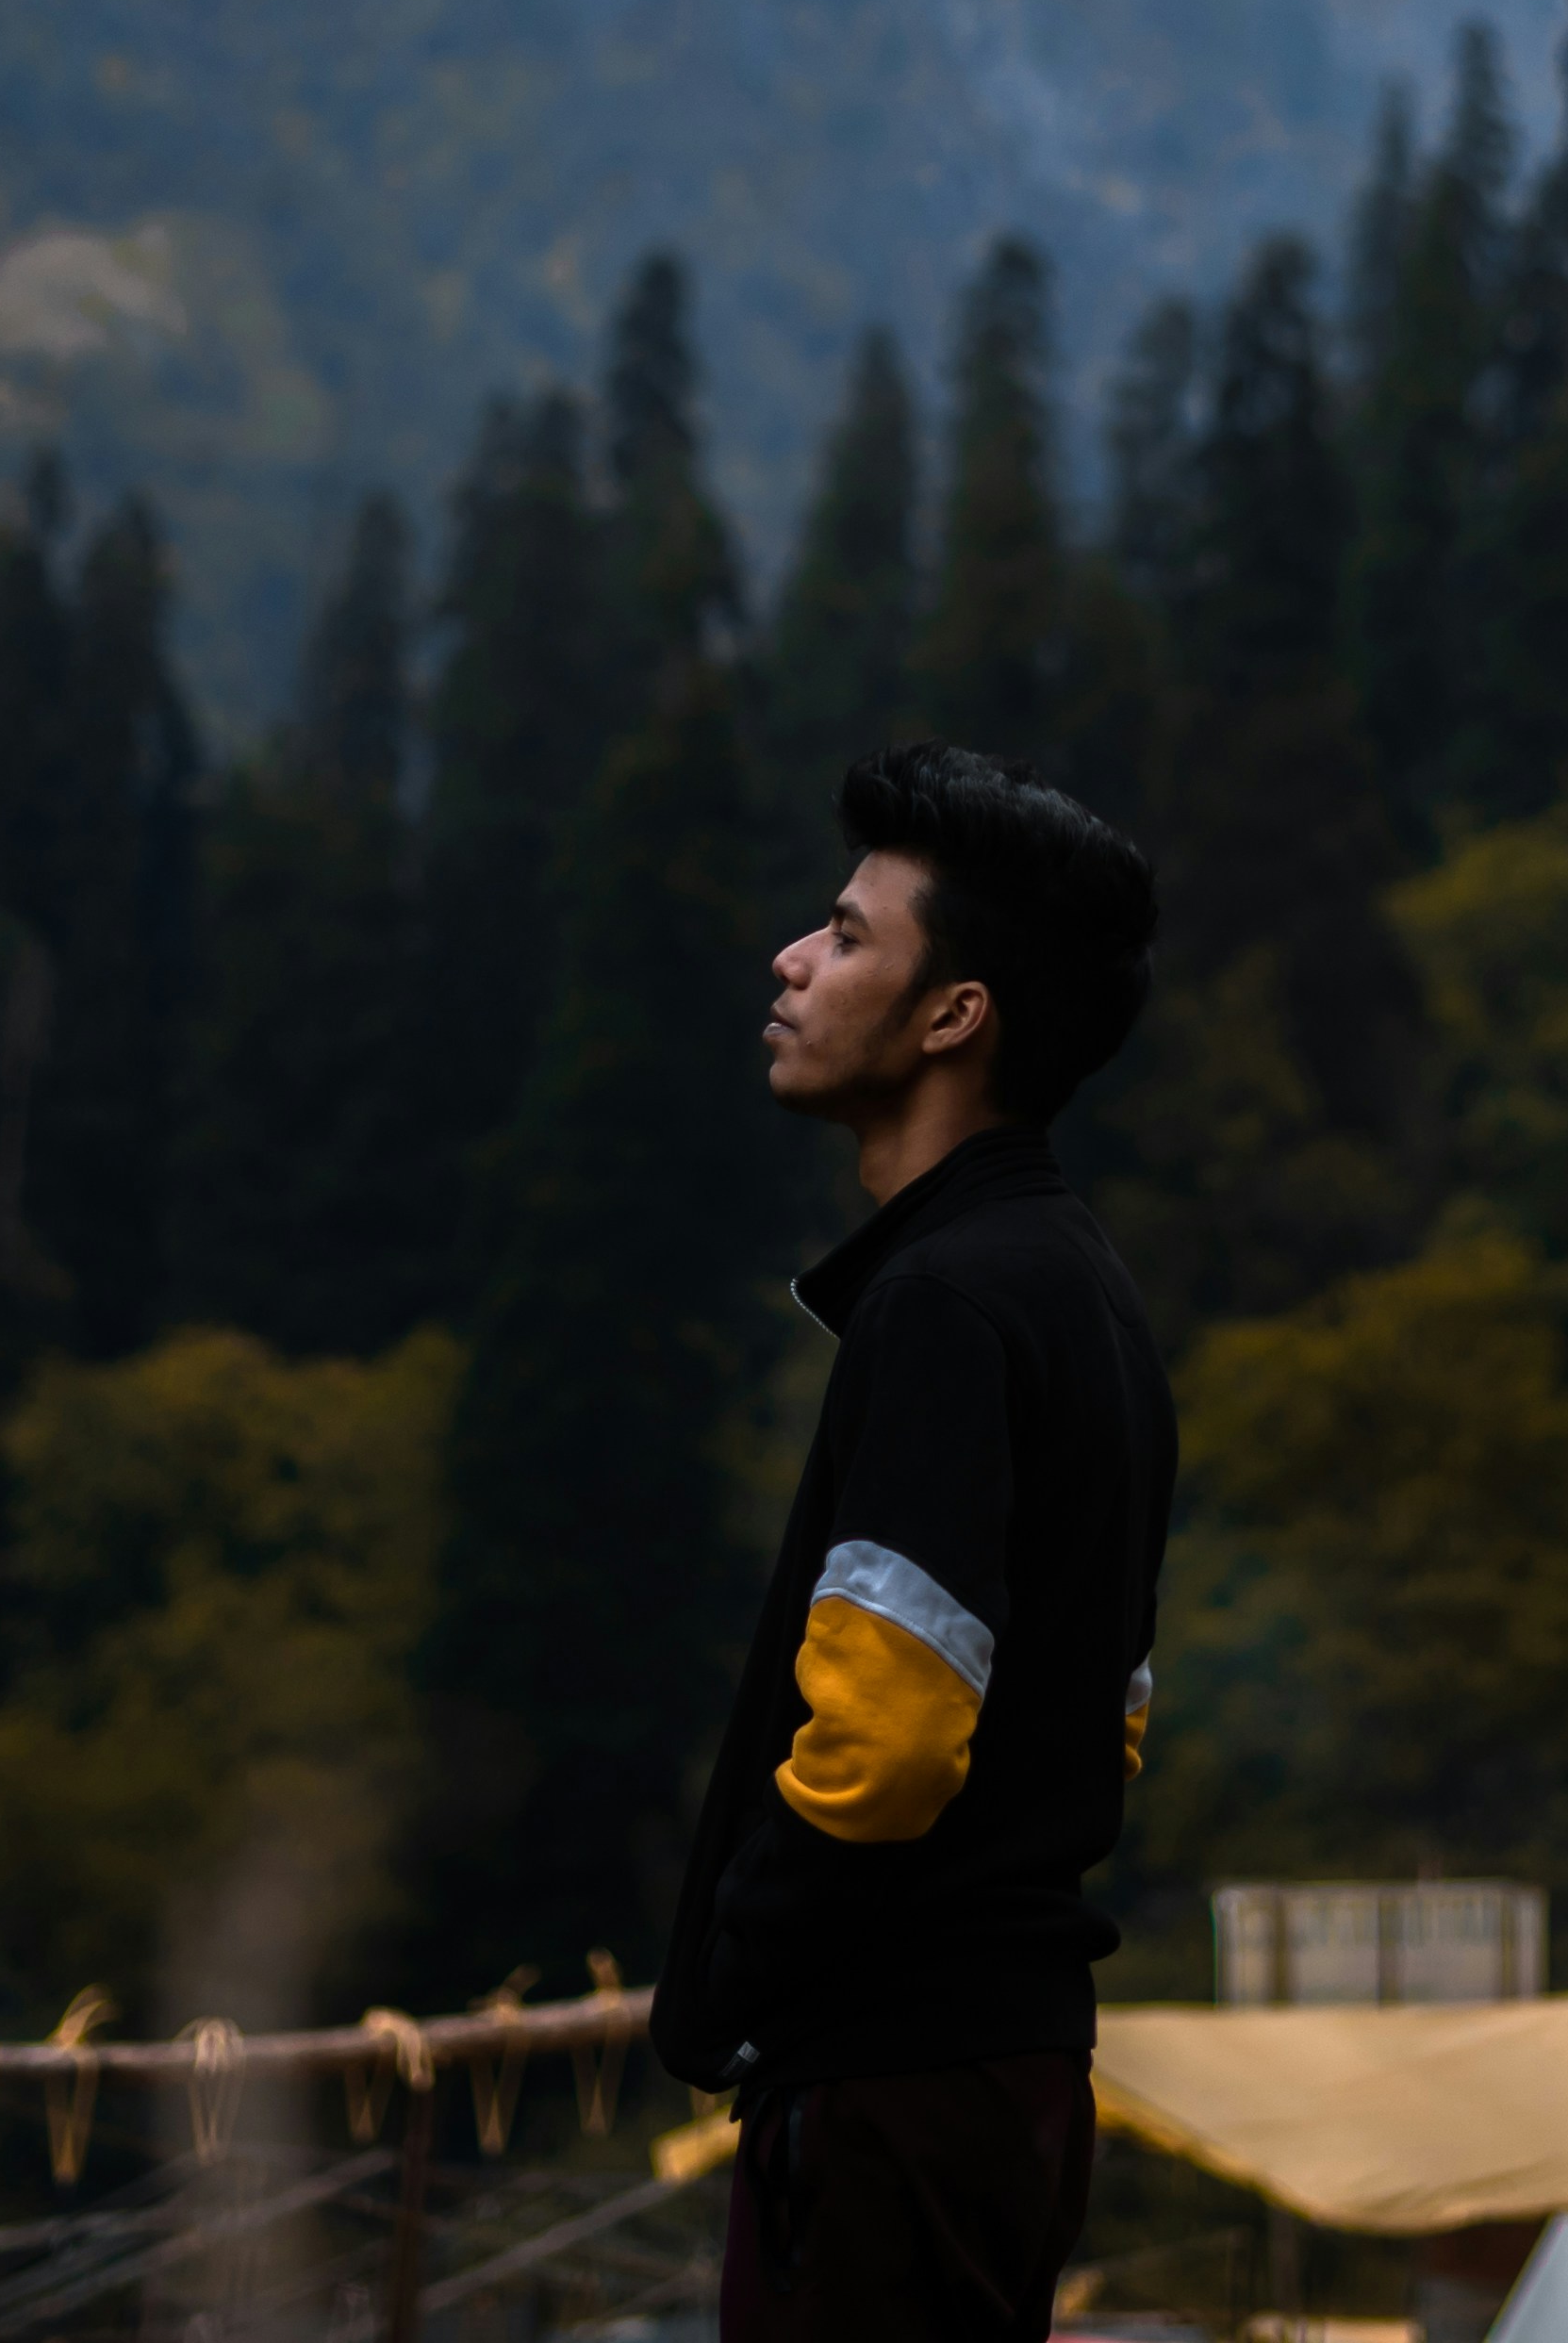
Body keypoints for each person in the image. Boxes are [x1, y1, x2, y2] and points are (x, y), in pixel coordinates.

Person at [653, 742, 1173, 2343]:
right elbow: (1116, 1709)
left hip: (887, 2077)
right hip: (1003, 2065)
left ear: (957, 1016)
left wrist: (740, 1968)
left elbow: (885, 1745)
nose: (792, 960)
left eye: (849, 935)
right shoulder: (1080, 1288)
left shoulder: (949, 1303)